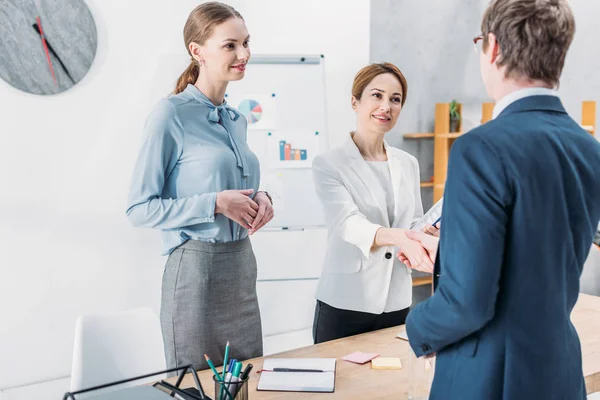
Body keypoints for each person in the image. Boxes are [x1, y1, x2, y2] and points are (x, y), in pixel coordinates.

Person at [401, 0, 600, 398]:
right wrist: (452, 251)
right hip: (557, 368)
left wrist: (416, 327)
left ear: (492, 47)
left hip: (490, 376)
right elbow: (536, 256)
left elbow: (467, 304)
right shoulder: (588, 148)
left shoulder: (480, 148)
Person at [126, 2, 274, 371]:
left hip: (241, 267)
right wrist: (215, 203)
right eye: (230, 45)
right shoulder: (170, 114)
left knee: (247, 385)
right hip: (195, 271)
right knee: (197, 387)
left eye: (246, 43)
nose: (244, 54)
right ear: (197, 51)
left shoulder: (236, 119)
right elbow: (139, 208)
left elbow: (235, 183)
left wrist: (262, 196)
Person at [311, 62, 433, 344]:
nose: (386, 107)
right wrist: (403, 238)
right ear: (355, 101)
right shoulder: (329, 164)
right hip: (346, 302)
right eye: (376, 96)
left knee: (389, 386)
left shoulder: (408, 163)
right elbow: (348, 224)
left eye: (395, 99)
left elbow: (414, 219)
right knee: (342, 385)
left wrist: (428, 231)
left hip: (397, 300)